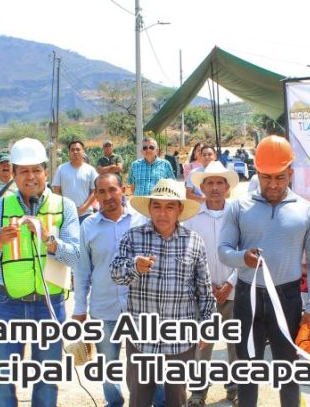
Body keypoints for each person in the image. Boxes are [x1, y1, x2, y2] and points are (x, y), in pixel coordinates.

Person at [219, 135, 310, 407]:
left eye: (280, 177)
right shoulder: (239, 207)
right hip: (247, 298)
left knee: (287, 371)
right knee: (247, 371)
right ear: (256, 172)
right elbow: (224, 250)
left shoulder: (307, 211)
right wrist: (243, 257)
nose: (273, 184)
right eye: (266, 177)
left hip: (286, 299)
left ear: (291, 172)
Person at [0, 138, 82, 407]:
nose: (31, 177)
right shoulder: (0, 208)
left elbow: (75, 255)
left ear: (46, 172)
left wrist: (50, 240)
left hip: (50, 304)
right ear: (13, 175)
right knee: (2, 374)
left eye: (36, 170)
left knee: (47, 377)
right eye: (23, 171)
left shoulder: (64, 206)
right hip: (8, 303)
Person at [110, 179, 215, 407]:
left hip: (180, 339)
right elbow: (116, 274)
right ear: (149, 209)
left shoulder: (193, 241)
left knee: (176, 399)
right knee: (139, 398)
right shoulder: (133, 237)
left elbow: (204, 290)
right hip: (141, 337)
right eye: (157, 206)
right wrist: (134, 267)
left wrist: (207, 325)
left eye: (169, 207)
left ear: (179, 209)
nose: (162, 213)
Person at [73, 173, 147, 407]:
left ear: (123, 190)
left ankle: (159, 401)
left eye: (112, 190)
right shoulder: (88, 226)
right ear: (95, 196)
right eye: (101, 192)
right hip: (104, 308)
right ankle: (114, 402)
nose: (108, 197)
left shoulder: (141, 221)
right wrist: (79, 310)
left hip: (140, 308)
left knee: (147, 362)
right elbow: (82, 270)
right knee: (108, 363)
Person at [183, 161, 242, 406]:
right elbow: (188, 255)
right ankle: (198, 392)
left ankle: (236, 388)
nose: (215, 187)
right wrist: (207, 287)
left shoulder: (239, 214)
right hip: (202, 294)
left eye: (220, 183)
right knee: (202, 345)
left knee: (236, 345)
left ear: (227, 187)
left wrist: (230, 283)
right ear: (202, 187)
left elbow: (246, 252)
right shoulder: (193, 218)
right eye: (210, 183)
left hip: (235, 291)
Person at [52, 139, 99, 220]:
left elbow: (95, 191)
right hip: (67, 214)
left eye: (78, 149)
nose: (75, 152)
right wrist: (65, 207)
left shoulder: (90, 170)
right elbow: (56, 191)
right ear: (69, 153)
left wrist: (83, 208)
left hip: (86, 214)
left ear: (83, 152)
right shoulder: (61, 169)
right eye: (72, 150)